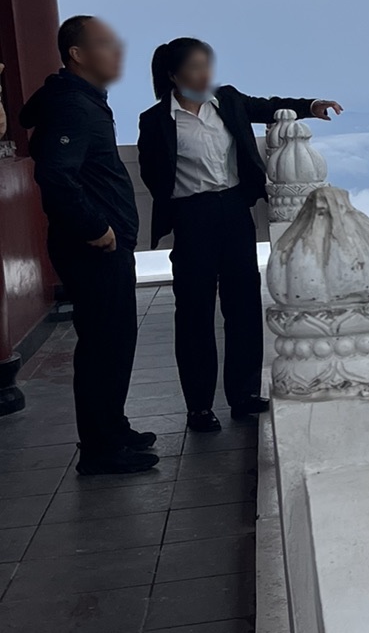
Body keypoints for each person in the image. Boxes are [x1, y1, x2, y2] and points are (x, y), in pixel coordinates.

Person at [137, 39, 341, 431]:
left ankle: (244, 393)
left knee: (243, 305)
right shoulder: (157, 119)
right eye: (195, 68)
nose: (205, 75)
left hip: (234, 210)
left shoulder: (226, 101)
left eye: (207, 66)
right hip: (192, 215)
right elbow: (152, 172)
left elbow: (267, 106)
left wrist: (311, 106)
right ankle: (198, 406)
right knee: (194, 312)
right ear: (173, 75)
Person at [19, 16, 156, 475]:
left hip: (103, 245)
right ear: (77, 54)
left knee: (115, 342)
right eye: (104, 44)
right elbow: (55, 173)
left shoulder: (81, 99)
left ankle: (113, 430)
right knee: (103, 345)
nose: (117, 52)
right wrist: (95, 226)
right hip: (93, 246)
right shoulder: (73, 106)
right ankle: (100, 450)